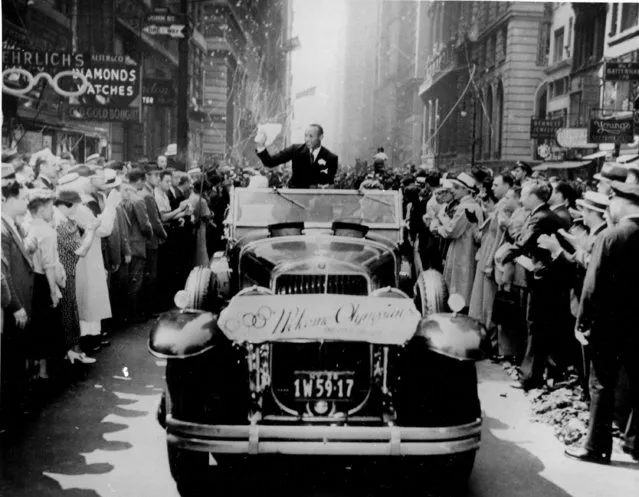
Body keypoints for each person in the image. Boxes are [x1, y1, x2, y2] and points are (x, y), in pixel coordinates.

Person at [564, 182, 639, 464]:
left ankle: (596, 447)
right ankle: (634, 442)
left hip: (609, 324)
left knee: (602, 385)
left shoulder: (611, 236)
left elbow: (592, 285)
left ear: (621, 203)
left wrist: (583, 321)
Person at [506, 180, 573, 391]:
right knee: (542, 327)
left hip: (542, 279)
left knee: (536, 326)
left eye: (524, 194)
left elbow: (522, 242)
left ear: (534, 196)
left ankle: (530, 377)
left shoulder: (540, 217)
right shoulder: (545, 214)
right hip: (548, 278)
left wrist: (510, 234)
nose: (521, 198)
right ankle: (541, 373)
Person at [1, 180, 35, 424]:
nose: (26, 203)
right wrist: (15, 306)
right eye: (23, 199)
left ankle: (19, 403)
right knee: (12, 358)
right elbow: (5, 273)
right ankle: (14, 410)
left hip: (21, 298)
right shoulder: (2, 228)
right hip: (14, 303)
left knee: (18, 354)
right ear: (9, 199)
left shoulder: (13, 224)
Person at [54, 190, 97, 364]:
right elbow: (81, 250)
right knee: (67, 312)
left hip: (66, 272)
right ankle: (70, 354)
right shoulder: (62, 223)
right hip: (63, 274)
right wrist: (92, 231)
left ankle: (72, 352)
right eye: (76, 205)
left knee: (69, 311)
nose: (78, 208)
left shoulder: (64, 220)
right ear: (67, 205)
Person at [469, 174, 513, 339]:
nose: (493, 188)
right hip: (486, 252)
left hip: (492, 255)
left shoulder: (505, 207)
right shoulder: (499, 206)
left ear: (507, 186)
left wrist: (489, 262)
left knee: (488, 299)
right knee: (482, 297)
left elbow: (499, 238)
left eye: (496, 185)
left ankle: (489, 335)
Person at [431, 172, 483, 307]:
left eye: (456, 188)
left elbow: (451, 231)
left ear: (466, 190)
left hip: (462, 250)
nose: (453, 191)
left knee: (460, 284)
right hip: (467, 248)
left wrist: (438, 228)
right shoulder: (474, 206)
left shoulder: (465, 207)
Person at [26, 189, 62, 380]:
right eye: (49, 208)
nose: (52, 212)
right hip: (43, 282)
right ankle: (44, 371)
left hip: (29, 281)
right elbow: (49, 265)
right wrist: (54, 292)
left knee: (34, 327)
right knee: (45, 327)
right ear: (40, 210)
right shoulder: (47, 232)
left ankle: (33, 367)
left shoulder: (25, 226)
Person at [255, 123, 338, 188]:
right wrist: (261, 146)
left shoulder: (331, 158)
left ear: (321, 137)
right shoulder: (295, 150)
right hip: (296, 201)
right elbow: (270, 162)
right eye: (306, 136)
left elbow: (328, 185)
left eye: (311, 136)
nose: (307, 139)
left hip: (319, 204)